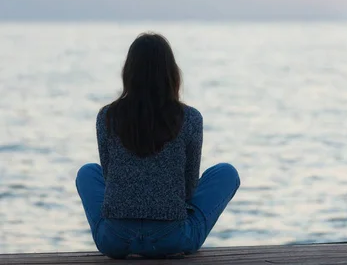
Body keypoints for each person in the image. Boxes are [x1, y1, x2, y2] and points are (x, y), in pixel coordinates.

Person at [75, 32, 240, 259]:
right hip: (171, 240)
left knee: (88, 172)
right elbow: (189, 187)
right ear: (171, 73)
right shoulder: (190, 118)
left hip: (114, 239)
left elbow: (108, 175)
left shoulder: (107, 116)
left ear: (129, 73)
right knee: (226, 173)